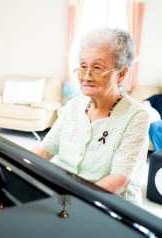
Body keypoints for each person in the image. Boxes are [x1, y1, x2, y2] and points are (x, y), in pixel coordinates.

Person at [32, 27, 150, 206]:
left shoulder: (136, 116)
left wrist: (73, 201)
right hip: (63, 196)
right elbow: (46, 149)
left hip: (105, 204)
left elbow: (118, 180)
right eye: (83, 66)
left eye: (96, 68)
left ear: (122, 74)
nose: (86, 76)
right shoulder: (73, 105)